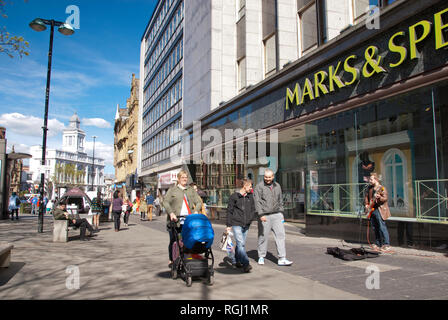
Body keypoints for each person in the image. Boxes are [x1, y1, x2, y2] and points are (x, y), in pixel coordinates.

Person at [162, 170, 203, 267]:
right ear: (178, 179)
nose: (184, 179)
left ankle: (185, 258)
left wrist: (196, 211)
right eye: (182, 177)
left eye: (186, 177)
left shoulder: (190, 190)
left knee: (187, 240)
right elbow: (165, 202)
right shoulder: (172, 190)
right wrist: (171, 213)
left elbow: (199, 202)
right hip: (175, 221)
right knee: (173, 241)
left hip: (188, 221)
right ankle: (172, 259)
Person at [254, 168, 293, 266]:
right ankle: (261, 256)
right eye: (266, 177)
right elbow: (257, 201)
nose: (267, 179)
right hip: (265, 216)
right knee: (263, 237)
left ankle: (282, 258)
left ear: (273, 176)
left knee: (280, 236)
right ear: (264, 177)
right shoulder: (259, 186)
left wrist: (281, 212)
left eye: (269, 177)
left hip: (277, 215)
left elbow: (280, 199)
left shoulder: (277, 186)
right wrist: (261, 214)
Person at [226, 179, 256, 273]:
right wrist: (228, 224)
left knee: (240, 245)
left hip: (246, 224)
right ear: (245, 186)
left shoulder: (250, 197)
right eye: (250, 186)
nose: (251, 188)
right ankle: (246, 264)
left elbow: (253, 209)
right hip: (236, 223)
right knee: (241, 243)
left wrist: (250, 219)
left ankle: (237, 261)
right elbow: (229, 211)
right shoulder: (234, 197)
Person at [364, 172, 393, 253]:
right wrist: (366, 205)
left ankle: (386, 244)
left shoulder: (381, 188)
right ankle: (378, 243)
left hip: (379, 209)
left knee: (382, 226)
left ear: (376, 179)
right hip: (372, 209)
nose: (370, 180)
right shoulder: (369, 188)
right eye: (370, 179)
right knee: (375, 227)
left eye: (371, 179)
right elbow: (366, 197)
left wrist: (379, 197)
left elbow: (385, 198)